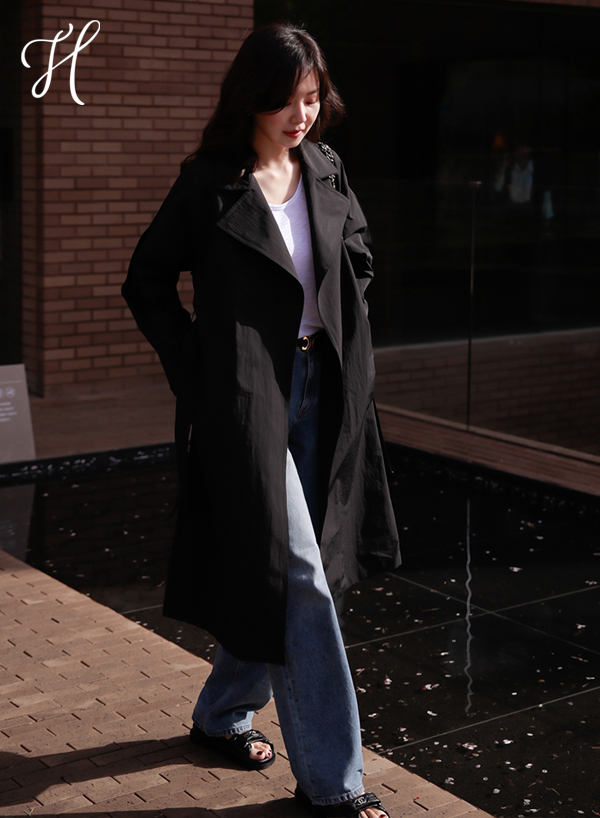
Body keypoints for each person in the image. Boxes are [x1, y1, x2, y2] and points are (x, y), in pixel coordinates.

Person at [122, 22, 400, 818]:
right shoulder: (210, 182)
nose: (301, 115)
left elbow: (359, 254)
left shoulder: (326, 166)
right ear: (251, 98)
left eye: (312, 98)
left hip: (324, 388)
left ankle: (221, 714)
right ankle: (334, 784)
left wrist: (342, 322)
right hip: (248, 399)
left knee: (280, 571)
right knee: (301, 577)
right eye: (285, 101)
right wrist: (201, 367)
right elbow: (146, 280)